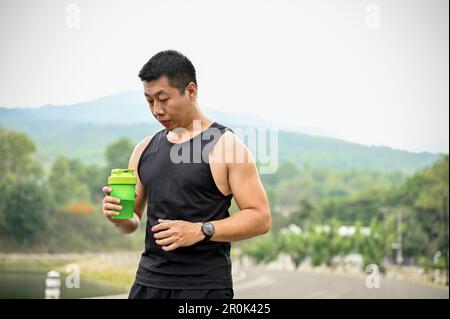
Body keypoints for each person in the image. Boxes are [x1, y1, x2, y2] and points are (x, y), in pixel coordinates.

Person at [101, 50, 271, 299]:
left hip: (203, 288)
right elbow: (133, 221)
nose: (157, 110)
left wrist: (202, 230)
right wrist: (118, 218)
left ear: (191, 91)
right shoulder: (144, 149)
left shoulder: (226, 146)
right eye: (150, 101)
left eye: (163, 99)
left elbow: (260, 218)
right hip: (147, 284)